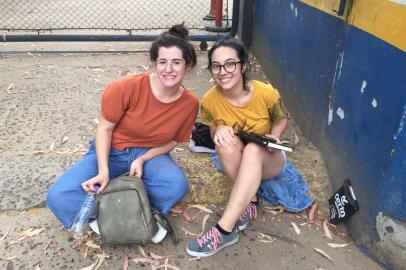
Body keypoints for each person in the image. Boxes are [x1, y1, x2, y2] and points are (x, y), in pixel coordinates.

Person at [47, 24, 199, 242]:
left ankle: (142, 214)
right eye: (162, 62)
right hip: (113, 150)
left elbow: (175, 140)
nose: (169, 69)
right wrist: (103, 171)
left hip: (150, 155)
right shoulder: (125, 88)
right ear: (154, 63)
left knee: (175, 185)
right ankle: (105, 217)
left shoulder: (190, 103)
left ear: (188, 66)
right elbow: (104, 129)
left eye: (177, 62)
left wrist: (144, 158)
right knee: (58, 196)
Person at [186, 37, 289, 257]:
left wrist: (275, 135)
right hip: (238, 158)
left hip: (269, 159)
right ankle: (251, 201)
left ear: (243, 66)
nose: (223, 71)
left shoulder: (266, 93)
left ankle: (224, 229)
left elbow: (282, 119)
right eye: (216, 66)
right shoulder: (210, 100)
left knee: (253, 149)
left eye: (230, 64)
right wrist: (219, 129)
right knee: (223, 143)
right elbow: (211, 128)